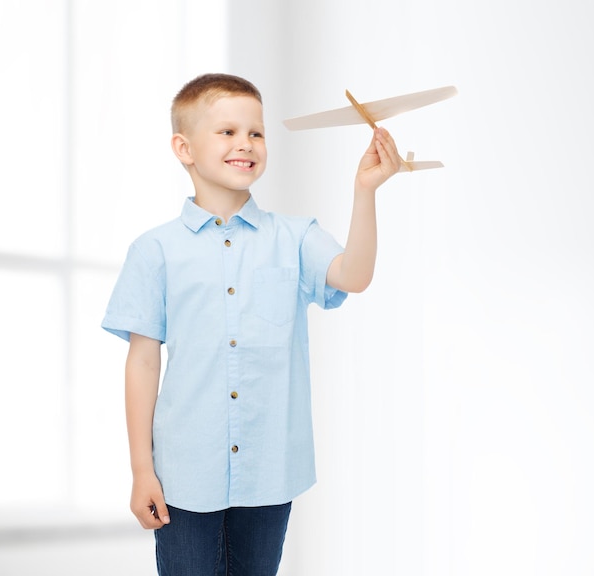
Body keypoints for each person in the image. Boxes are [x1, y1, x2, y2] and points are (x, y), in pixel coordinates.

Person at [102, 72, 402, 576]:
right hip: (183, 472)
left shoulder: (296, 236)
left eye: (256, 133)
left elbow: (353, 275)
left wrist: (365, 190)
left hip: (269, 471)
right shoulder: (154, 250)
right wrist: (141, 469)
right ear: (184, 147)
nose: (246, 144)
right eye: (227, 132)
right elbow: (144, 361)